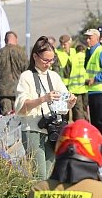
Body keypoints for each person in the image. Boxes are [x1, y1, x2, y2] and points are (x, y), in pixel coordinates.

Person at [15, 36, 76, 180]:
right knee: (40, 175)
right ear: (35, 56)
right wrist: (43, 99)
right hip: (33, 130)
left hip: (53, 130)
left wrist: (70, 102)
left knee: (49, 175)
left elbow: (62, 106)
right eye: (45, 60)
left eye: (51, 60)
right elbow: (21, 108)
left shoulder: (54, 76)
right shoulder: (26, 76)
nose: (48, 64)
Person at [0, 31, 29, 115]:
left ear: (5, 40)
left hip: (4, 92)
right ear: (16, 40)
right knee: (19, 116)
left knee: (6, 118)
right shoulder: (22, 54)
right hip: (19, 90)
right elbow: (28, 73)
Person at [66, 41, 90, 122]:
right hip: (86, 87)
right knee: (85, 108)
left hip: (75, 88)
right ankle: (87, 125)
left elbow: (67, 73)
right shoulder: (87, 57)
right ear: (83, 50)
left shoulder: (72, 58)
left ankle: (80, 126)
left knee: (78, 111)